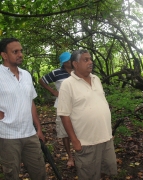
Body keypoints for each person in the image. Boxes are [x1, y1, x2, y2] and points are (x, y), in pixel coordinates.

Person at [57, 49, 117, 180]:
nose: (90, 62)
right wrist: (74, 140)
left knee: (106, 171)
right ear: (75, 64)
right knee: (89, 174)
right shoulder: (67, 84)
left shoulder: (96, 79)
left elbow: (101, 105)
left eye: (90, 59)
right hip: (86, 141)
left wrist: (108, 131)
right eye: (86, 60)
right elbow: (64, 115)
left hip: (106, 139)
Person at [0, 38, 46, 180]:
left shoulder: (26, 75)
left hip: (29, 134)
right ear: (4, 55)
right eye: (15, 52)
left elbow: (30, 101)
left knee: (39, 172)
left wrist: (38, 128)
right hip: (7, 136)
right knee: (11, 175)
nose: (20, 54)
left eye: (21, 51)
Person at [39, 51, 74, 167]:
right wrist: (53, 91)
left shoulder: (78, 71)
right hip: (62, 106)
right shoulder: (56, 73)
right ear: (65, 63)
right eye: (70, 60)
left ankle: (81, 154)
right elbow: (41, 80)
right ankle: (70, 156)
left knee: (81, 130)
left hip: (78, 106)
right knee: (65, 132)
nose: (72, 61)